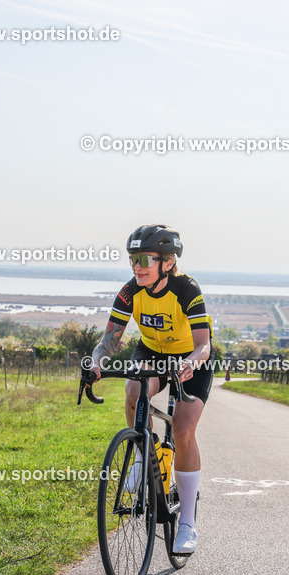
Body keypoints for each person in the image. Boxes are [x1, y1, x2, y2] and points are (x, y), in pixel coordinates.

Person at [89, 224, 212, 554]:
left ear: (168, 262)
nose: (137, 266)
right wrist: (96, 360)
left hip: (190, 359)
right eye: (133, 260)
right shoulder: (130, 292)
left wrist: (190, 363)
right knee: (134, 388)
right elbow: (109, 341)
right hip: (152, 352)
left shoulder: (186, 289)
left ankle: (187, 522)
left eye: (145, 259)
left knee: (184, 432)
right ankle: (143, 457)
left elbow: (204, 345)